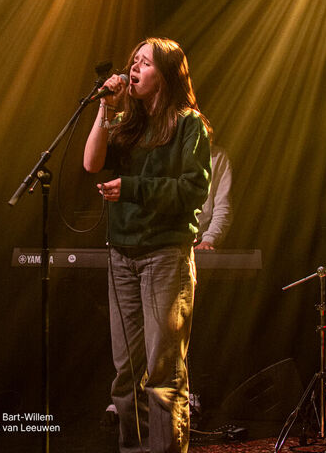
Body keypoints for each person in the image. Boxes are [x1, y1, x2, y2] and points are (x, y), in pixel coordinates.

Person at [83, 37, 211, 453]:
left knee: (163, 373)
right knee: (127, 373)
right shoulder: (127, 123)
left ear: (166, 75)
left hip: (165, 255)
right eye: (133, 60)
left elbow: (193, 190)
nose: (134, 68)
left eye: (145, 63)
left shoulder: (189, 124)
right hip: (122, 255)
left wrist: (134, 187)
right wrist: (105, 108)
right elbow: (91, 162)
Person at [195, 145, 233, 250]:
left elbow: (222, 206)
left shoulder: (217, 156)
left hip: (200, 240)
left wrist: (208, 240)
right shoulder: (165, 153)